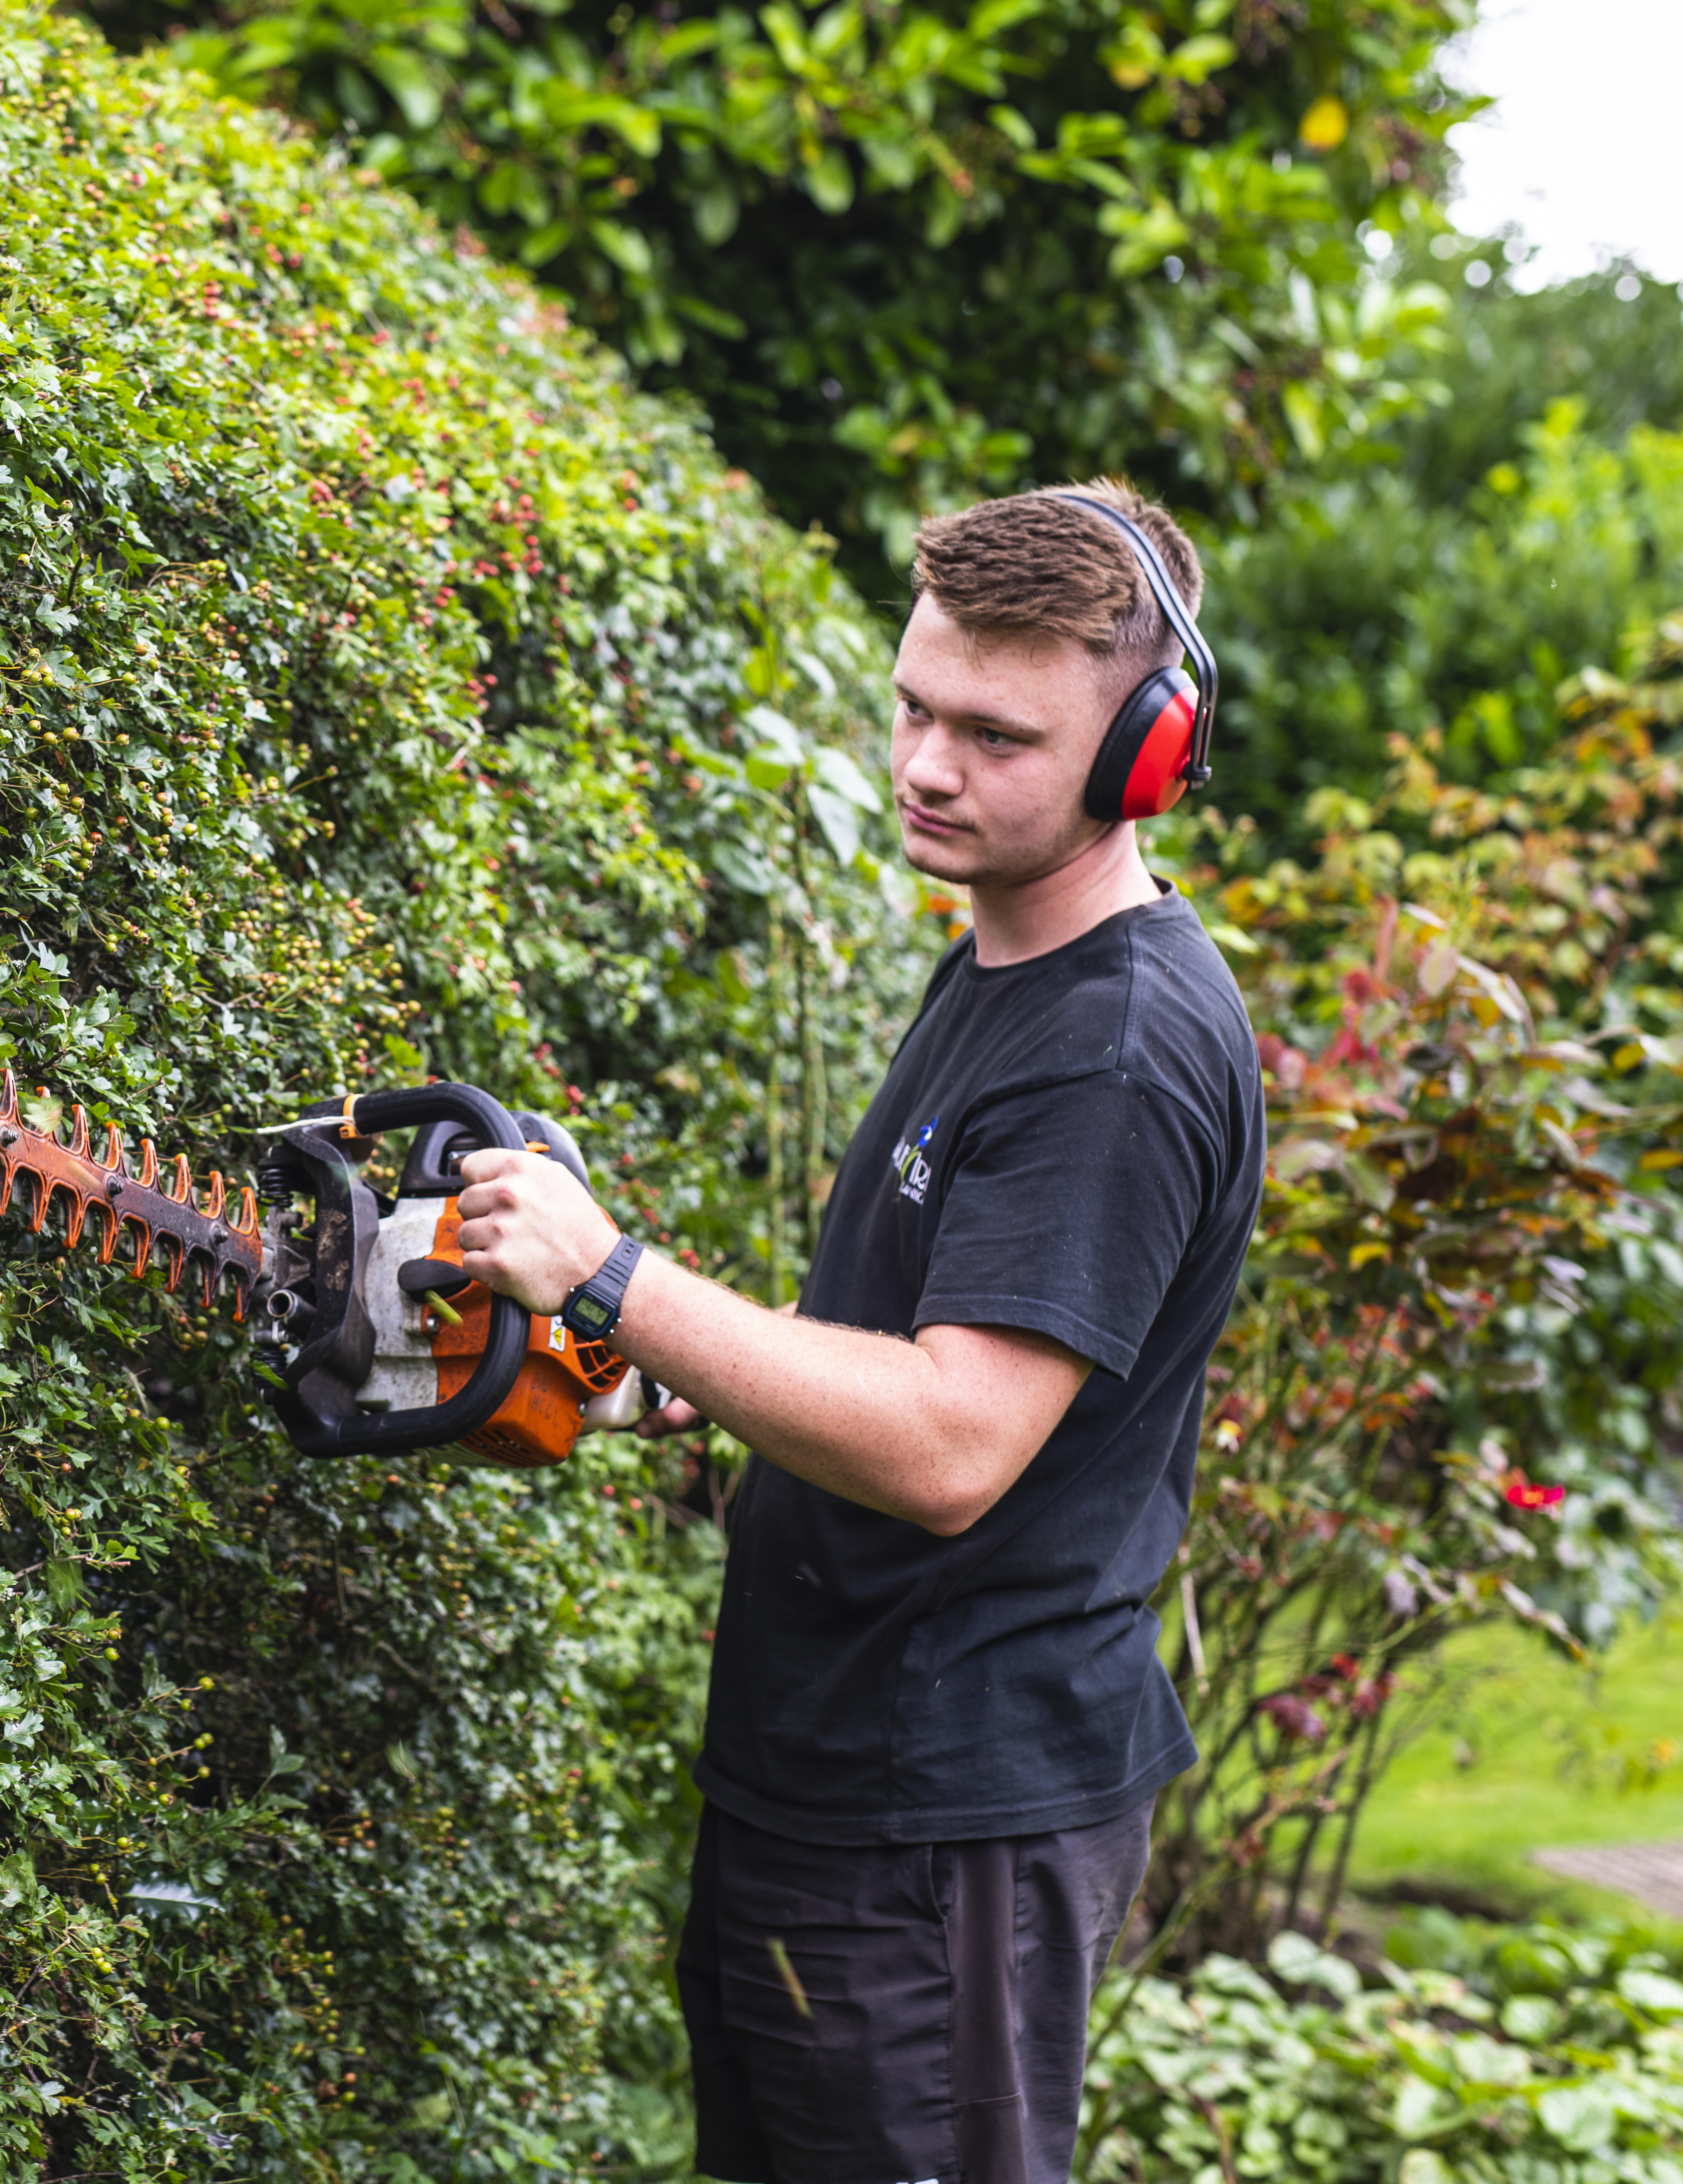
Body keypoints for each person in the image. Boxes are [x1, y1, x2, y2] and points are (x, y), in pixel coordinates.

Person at [452, 482, 1265, 2184]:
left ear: (1146, 754)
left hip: (944, 1820)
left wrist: (618, 1280)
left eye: (995, 734)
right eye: (912, 706)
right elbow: (903, 1342)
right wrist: (704, 1377)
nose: (927, 765)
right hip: (843, 1779)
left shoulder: (1111, 1047)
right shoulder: (1004, 963)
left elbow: (956, 1442)